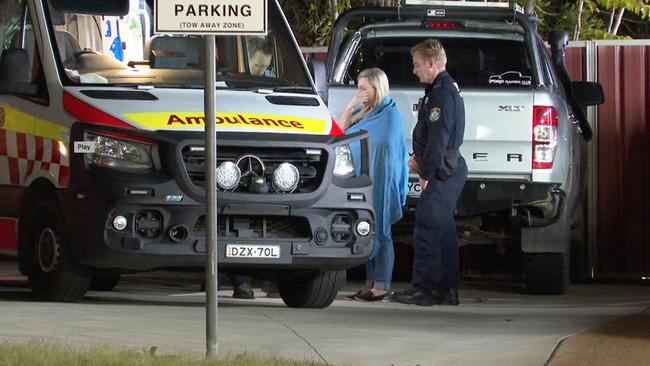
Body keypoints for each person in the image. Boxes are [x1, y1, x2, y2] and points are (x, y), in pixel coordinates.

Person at [393, 39, 467, 306]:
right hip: (444, 167)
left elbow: (438, 138)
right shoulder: (440, 90)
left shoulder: (442, 94)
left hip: (441, 170)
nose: (414, 71)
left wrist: (425, 172)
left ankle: (424, 290)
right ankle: (447, 290)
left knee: (426, 229)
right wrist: (419, 156)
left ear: (432, 63)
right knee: (444, 230)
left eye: (417, 65)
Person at [339, 68, 409, 302]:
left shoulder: (388, 115)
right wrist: (350, 106)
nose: (360, 93)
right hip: (367, 179)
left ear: (376, 89)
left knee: (382, 231)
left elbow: (381, 145)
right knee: (366, 229)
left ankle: (382, 285)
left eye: (363, 89)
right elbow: (341, 134)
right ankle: (370, 283)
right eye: (358, 88)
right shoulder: (366, 112)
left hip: (383, 178)